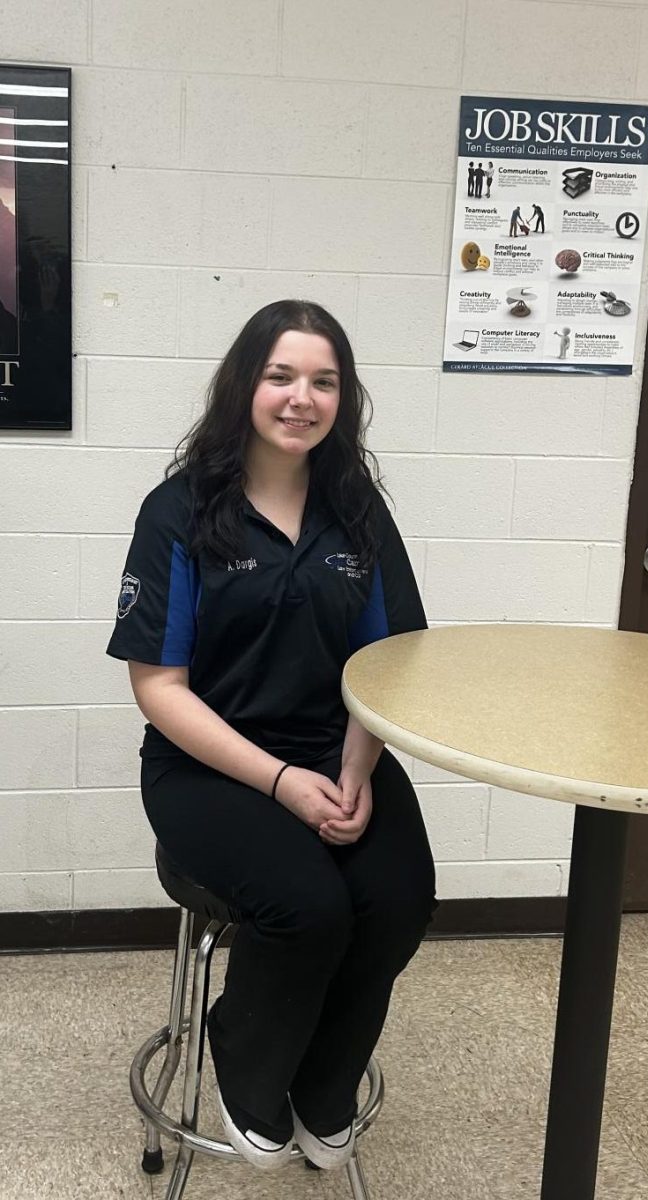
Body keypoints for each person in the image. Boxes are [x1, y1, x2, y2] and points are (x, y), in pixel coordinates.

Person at [107, 300, 437, 1173]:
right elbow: (159, 688)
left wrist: (356, 769)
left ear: (344, 398)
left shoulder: (356, 509)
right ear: (244, 385)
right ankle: (249, 1070)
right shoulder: (180, 511)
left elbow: (390, 660)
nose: (302, 397)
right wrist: (284, 782)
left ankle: (324, 1087)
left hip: (341, 750)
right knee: (308, 908)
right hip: (208, 765)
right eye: (281, 375)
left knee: (398, 898)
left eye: (324, 381)